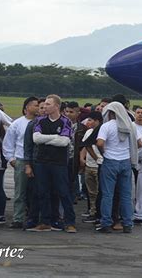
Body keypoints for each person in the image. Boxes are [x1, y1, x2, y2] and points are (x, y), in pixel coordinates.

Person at [32, 95, 77, 233]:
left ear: (56, 106)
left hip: (59, 163)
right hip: (42, 162)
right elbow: (36, 139)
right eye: (44, 104)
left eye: (48, 104)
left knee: (63, 192)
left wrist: (46, 139)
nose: (44, 106)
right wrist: (54, 137)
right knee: (43, 192)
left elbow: (64, 141)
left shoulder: (65, 122)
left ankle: (70, 222)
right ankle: (45, 221)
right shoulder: (39, 120)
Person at [96, 102, 138, 233]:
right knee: (126, 195)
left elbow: (100, 142)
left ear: (111, 113)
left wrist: (103, 152)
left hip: (110, 161)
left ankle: (106, 223)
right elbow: (138, 143)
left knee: (108, 194)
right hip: (125, 162)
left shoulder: (106, 126)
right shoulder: (129, 126)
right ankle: (127, 223)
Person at [3, 97, 39, 229]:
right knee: (20, 192)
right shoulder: (17, 124)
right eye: (35, 105)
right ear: (27, 108)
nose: (38, 108)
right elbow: (8, 143)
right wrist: (11, 159)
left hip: (37, 160)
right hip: (21, 160)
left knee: (36, 190)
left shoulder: (40, 123)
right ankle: (18, 218)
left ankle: (34, 216)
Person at [23, 98, 46, 230]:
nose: (43, 110)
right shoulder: (32, 124)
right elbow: (28, 147)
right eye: (40, 107)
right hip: (35, 163)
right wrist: (28, 165)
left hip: (49, 163)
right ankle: (32, 217)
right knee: (33, 192)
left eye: (45, 107)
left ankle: (46, 218)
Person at [80, 111, 104, 223]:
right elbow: (85, 146)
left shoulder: (102, 131)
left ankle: (98, 213)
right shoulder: (89, 132)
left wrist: (98, 159)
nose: (88, 122)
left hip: (98, 166)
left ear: (97, 121)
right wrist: (82, 158)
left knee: (99, 191)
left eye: (90, 120)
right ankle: (92, 211)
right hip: (89, 166)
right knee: (91, 192)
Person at [65, 101, 88, 201]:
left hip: (74, 159)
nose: (68, 114)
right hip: (61, 159)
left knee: (72, 182)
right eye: (67, 112)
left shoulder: (83, 129)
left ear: (78, 113)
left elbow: (85, 145)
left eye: (71, 112)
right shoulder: (61, 125)